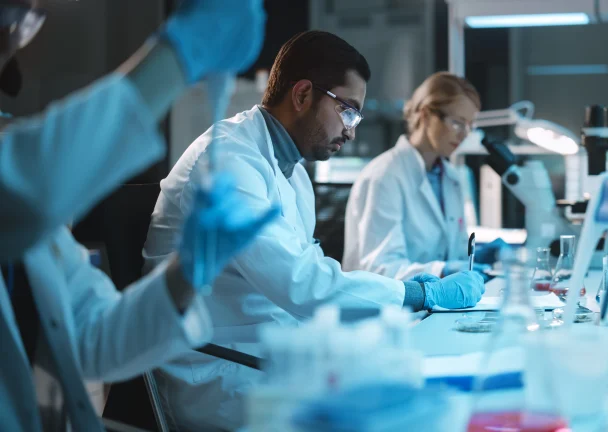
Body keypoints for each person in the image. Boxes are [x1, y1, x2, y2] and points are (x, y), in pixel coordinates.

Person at [143, 30, 486, 430]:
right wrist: (416, 292)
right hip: (221, 368)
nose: (352, 130)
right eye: (348, 111)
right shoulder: (227, 160)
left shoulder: (291, 171)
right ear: (303, 94)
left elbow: (307, 274)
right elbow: (300, 283)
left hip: (273, 351)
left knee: (421, 389)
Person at [0, 1, 275, 430]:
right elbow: (26, 193)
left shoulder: (35, 208)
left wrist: (187, 273)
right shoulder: (27, 190)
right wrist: (181, 53)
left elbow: (97, 339)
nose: (17, 29)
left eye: (28, 14)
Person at [343, 72, 507, 280]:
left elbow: (452, 255)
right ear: (426, 115)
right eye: (457, 123)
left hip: (437, 306)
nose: (464, 134)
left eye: (470, 126)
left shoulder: (452, 178)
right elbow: (379, 268)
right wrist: (443, 271)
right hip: (392, 310)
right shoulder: (384, 175)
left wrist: (471, 261)